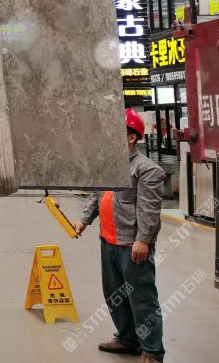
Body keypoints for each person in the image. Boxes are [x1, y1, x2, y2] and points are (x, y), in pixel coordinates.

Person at [73, 108, 166, 363]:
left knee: (142, 298)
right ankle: (127, 339)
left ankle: (152, 351)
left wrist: (143, 240)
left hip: (131, 244)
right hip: (108, 241)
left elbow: (148, 209)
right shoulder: (110, 166)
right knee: (115, 295)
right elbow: (98, 195)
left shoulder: (147, 169)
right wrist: (84, 221)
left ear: (131, 137)